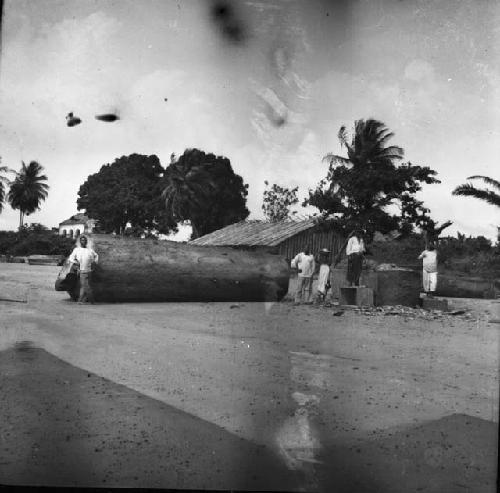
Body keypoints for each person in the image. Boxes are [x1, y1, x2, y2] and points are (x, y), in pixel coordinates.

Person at [68, 235, 98, 304]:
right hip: (82, 271)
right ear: (80, 242)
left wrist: (94, 262)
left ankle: (81, 300)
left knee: (84, 286)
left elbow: (96, 255)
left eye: (84, 240)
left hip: (89, 271)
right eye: (82, 240)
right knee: (86, 286)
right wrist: (76, 263)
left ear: (86, 242)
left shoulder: (90, 250)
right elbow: (71, 258)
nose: (83, 242)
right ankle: (92, 300)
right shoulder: (76, 249)